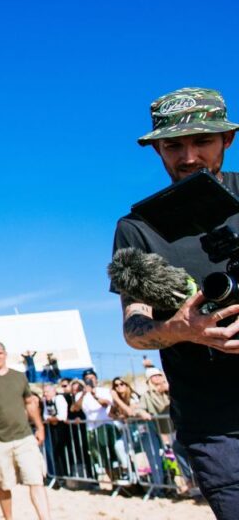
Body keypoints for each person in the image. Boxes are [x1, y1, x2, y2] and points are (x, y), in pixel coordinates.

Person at [112, 87, 239, 517]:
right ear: (159, 151)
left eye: (202, 141)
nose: (188, 157)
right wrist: (180, 330)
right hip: (216, 427)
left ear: (228, 139)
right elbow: (134, 327)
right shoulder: (139, 229)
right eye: (173, 146)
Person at [0, 342, 51, 520]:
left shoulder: (19, 377)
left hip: (24, 436)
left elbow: (30, 403)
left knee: (36, 480)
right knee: (4, 484)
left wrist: (40, 426)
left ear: (5, 354)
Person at [41, 383, 70, 478]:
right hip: (52, 429)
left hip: (62, 429)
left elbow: (62, 416)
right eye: (44, 392)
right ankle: (59, 475)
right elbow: (45, 415)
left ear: (53, 392)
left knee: (63, 452)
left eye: (47, 392)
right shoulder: (46, 401)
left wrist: (52, 419)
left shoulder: (59, 399)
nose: (45, 394)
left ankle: (66, 474)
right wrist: (51, 419)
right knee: (55, 452)